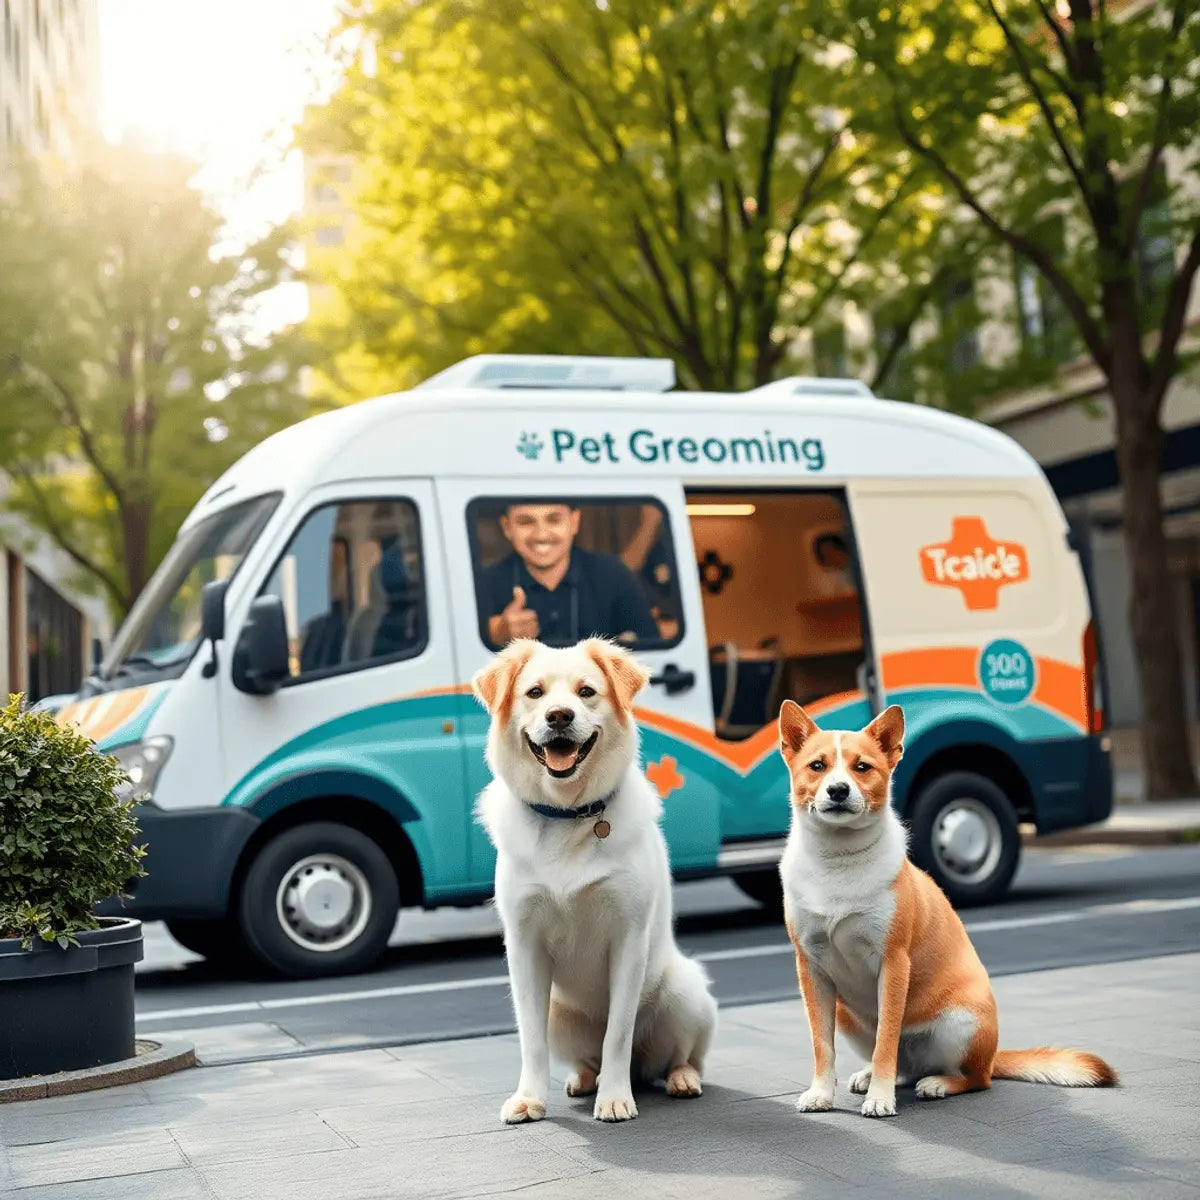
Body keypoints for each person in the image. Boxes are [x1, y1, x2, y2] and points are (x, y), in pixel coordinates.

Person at [479, 502, 660, 646]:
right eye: (526, 522)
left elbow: (651, 651)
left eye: (554, 520)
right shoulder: (484, 583)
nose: (541, 535)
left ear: (574, 522)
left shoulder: (613, 574)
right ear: (506, 527)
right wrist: (496, 635)